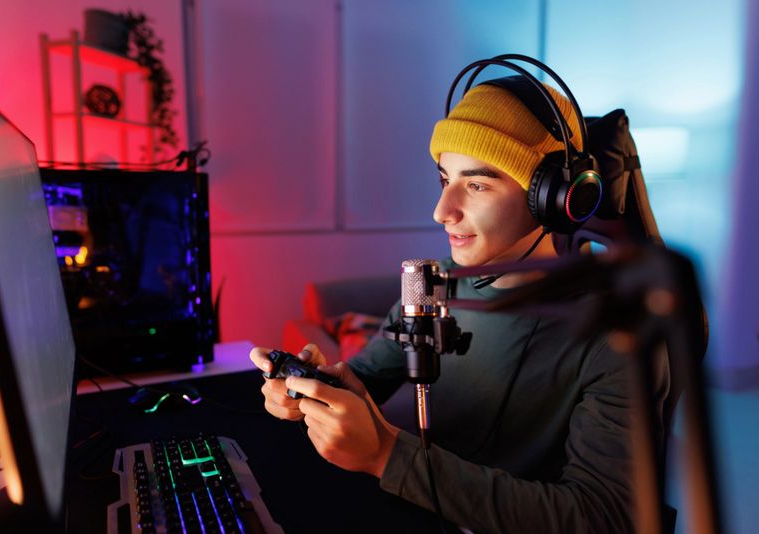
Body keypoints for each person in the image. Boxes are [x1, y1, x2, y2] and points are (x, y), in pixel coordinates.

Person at [250, 75, 669, 533]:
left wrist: (387, 456)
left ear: (554, 198)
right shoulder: (434, 282)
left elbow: (604, 518)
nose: (441, 209)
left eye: (477, 185)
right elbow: (368, 376)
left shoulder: (617, 334)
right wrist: (313, 392)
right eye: (445, 178)